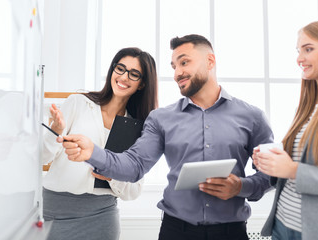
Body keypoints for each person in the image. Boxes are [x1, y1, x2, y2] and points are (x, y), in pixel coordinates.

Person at [61, 34, 274, 240]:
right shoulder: (161, 118)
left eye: (184, 62)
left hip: (231, 232)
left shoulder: (252, 117)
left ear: (210, 61)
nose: (177, 73)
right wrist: (93, 153)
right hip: (176, 232)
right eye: (174, 66)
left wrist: (241, 187)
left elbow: (270, 175)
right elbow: (134, 165)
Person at [42, 47, 158, 240]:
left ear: (142, 84)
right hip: (55, 211)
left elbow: (133, 191)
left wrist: (111, 172)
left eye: (134, 74)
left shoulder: (139, 129)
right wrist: (56, 130)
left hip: (101, 215)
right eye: (120, 68)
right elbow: (42, 157)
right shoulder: (78, 103)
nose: (123, 77)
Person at [253, 19, 318, 240]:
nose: (299, 58)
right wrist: (273, 164)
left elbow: (298, 170)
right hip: (282, 226)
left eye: (308, 49)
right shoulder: (307, 107)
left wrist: (294, 170)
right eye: (298, 50)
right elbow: (298, 163)